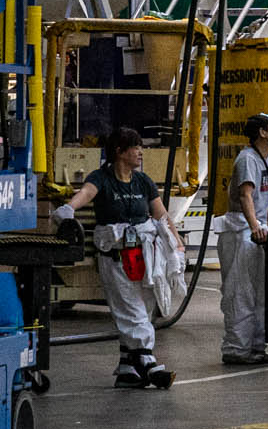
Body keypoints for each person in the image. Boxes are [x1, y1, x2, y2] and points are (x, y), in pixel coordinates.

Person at [53, 127, 177, 389]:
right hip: (117, 259)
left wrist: (176, 243)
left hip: (144, 258)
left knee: (143, 309)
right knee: (131, 310)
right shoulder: (102, 178)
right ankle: (147, 360)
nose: (140, 152)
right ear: (120, 152)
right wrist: (68, 209)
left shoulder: (142, 181)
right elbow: (86, 193)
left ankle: (128, 368)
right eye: (135, 147)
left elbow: (161, 215)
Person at [214, 112, 268, 366]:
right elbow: (245, 196)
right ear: (262, 132)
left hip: (257, 233)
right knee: (240, 292)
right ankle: (236, 349)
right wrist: (254, 227)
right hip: (241, 231)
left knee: (263, 293)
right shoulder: (247, 159)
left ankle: (256, 346)